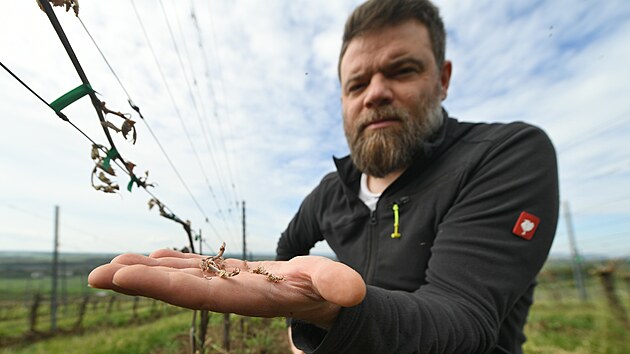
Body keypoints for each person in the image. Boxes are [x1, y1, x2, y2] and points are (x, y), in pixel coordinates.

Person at [89, 0, 559, 353]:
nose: (375, 93)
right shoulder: (330, 192)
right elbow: (285, 251)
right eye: (356, 83)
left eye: (402, 70)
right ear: (342, 98)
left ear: (443, 78)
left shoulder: (504, 156)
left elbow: (463, 320)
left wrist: (328, 313)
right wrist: (299, 328)